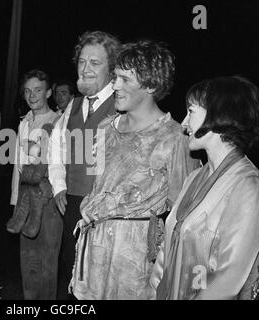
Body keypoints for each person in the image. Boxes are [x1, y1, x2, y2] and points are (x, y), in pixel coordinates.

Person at [69, 40, 199, 300]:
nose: (115, 85)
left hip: (133, 267)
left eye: (125, 80)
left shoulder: (175, 138)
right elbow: (99, 187)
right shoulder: (106, 127)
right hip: (92, 256)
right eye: (115, 77)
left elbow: (183, 217)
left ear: (151, 85)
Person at [150, 75, 259, 300]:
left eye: (191, 111)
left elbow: (228, 276)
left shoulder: (250, 186)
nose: (184, 123)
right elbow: (167, 251)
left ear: (219, 115)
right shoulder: (195, 177)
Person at [48, 31, 120, 298]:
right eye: (81, 62)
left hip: (108, 210)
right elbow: (56, 147)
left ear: (112, 70)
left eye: (95, 63)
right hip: (74, 205)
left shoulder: (123, 104)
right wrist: (58, 186)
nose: (86, 69)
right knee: (72, 275)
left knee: (101, 279)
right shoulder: (73, 106)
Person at [7, 69, 63, 299]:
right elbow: (17, 167)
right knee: (27, 259)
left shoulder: (58, 122)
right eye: (28, 91)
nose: (32, 96)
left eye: (38, 90)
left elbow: (62, 164)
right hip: (25, 199)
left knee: (47, 261)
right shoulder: (24, 123)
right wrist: (14, 199)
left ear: (48, 92)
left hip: (48, 200)